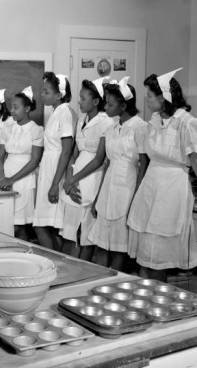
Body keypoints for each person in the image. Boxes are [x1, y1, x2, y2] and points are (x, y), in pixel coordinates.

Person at [127, 69, 197, 281]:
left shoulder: (187, 123)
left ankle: (159, 301)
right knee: (144, 253)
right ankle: (143, 299)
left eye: (150, 96)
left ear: (163, 97)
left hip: (171, 190)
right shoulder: (154, 121)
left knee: (159, 255)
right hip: (151, 187)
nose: (147, 101)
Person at [87, 77, 149, 271]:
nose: (106, 106)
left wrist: (136, 201)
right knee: (102, 243)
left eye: (110, 103)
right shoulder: (111, 128)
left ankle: (116, 286)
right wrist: (98, 197)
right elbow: (107, 164)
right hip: (109, 187)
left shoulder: (140, 127)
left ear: (123, 105)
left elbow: (144, 166)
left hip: (128, 186)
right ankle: (97, 284)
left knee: (120, 247)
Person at [61, 77, 115, 261]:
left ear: (96, 101)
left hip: (93, 177)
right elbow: (74, 154)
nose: (79, 101)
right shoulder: (81, 120)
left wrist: (73, 180)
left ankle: (84, 270)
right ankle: (70, 267)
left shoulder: (106, 122)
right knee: (70, 229)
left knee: (86, 230)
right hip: (75, 176)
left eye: (83, 98)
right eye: (79, 97)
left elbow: (99, 160)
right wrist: (69, 178)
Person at [33, 73, 77, 251]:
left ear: (59, 95)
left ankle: (54, 262)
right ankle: (55, 262)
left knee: (42, 224)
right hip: (49, 165)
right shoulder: (56, 112)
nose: (42, 95)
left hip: (56, 169)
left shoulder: (65, 113)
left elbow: (66, 151)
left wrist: (54, 184)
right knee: (47, 224)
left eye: (46, 91)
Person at [0, 87, 44, 241]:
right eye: (11, 107)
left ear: (27, 108)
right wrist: (3, 179)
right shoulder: (8, 128)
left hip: (24, 178)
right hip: (6, 178)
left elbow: (35, 160)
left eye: (16, 107)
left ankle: (23, 257)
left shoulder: (36, 130)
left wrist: (12, 179)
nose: (12, 111)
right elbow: (0, 158)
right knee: (6, 223)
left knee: (19, 226)